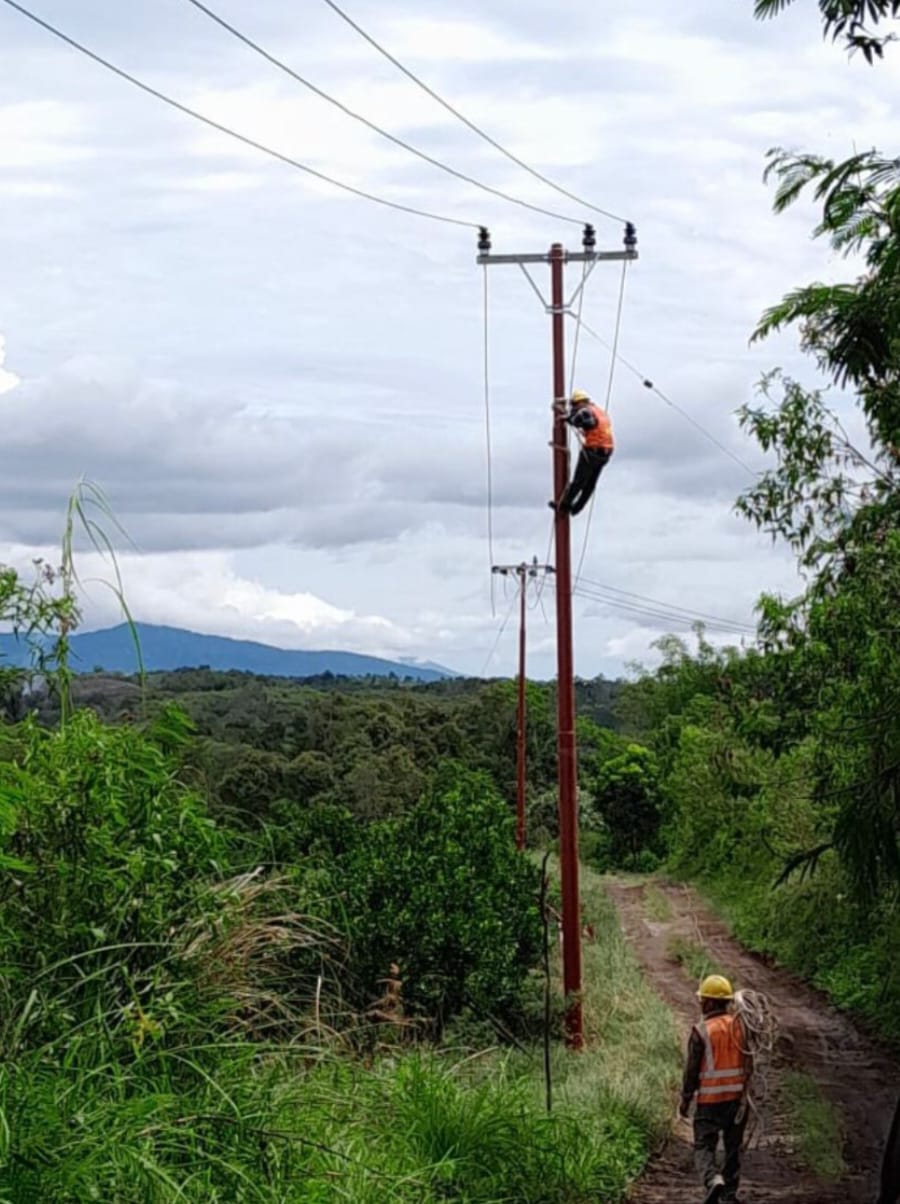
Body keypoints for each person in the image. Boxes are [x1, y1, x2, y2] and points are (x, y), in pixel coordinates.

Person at [679, 974, 752, 1204]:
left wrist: (685, 1099)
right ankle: (729, 1195)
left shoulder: (701, 1030)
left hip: (710, 1101)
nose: (700, 1003)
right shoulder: (743, 1026)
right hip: (737, 1101)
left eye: (702, 1000)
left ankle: (712, 1180)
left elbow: (691, 1071)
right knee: (733, 1149)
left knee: (703, 1146)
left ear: (710, 1002)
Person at [552, 390, 614, 516]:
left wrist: (567, 418)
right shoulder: (599, 411)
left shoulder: (585, 411)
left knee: (579, 481)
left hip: (593, 450)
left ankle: (564, 505)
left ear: (578, 402)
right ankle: (577, 508)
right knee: (590, 483)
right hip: (606, 451)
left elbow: (578, 420)